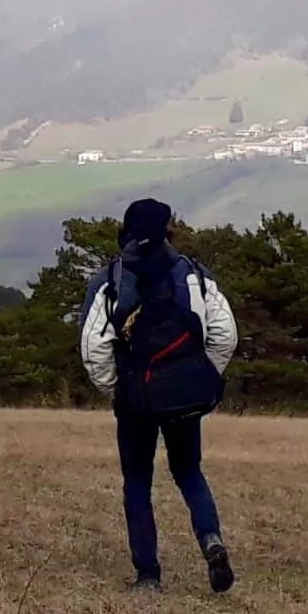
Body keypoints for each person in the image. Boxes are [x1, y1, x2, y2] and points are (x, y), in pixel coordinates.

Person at [80, 198, 238, 593]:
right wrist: (202, 376)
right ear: (169, 229)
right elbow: (225, 334)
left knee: (137, 482)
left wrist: (117, 389)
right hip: (185, 395)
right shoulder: (193, 274)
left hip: (135, 399)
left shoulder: (111, 279)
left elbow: (93, 347)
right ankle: (211, 540)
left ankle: (149, 576)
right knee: (188, 472)